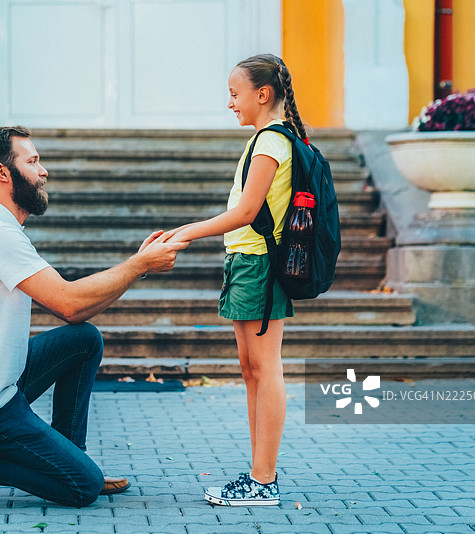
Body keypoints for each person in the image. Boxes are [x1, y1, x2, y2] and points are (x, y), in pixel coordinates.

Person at [0, 126, 188, 508]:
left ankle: (71, 455)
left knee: (82, 339)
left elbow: (80, 313)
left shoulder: (1, 230)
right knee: (82, 487)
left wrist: (139, 267)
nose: (43, 171)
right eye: (32, 162)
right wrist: (137, 264)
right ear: (2, 173)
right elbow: (70, 303)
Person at [167, 54, 307, 506]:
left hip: (260, 265)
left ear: (262, 94)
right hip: (247, 261)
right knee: (252, 370)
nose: (230, 103)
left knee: (265, 369)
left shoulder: (271, 142)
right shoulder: (265, 140)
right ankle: (258, 474)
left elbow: (245, 213)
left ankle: (263, 481)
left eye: (234, 94)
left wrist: (184, 231)